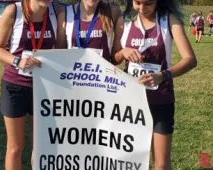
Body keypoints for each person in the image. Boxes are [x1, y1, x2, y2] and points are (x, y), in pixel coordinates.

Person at [112, 0, 197, 169]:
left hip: (161, 100)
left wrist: (163, 75)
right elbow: (113, 58)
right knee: (130, 161)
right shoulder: (125, 21)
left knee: (161, 163)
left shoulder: (168, 20)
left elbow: (190, 59)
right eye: (137, 3)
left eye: (148, 4)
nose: (142, 9)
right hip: (131, 103)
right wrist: (123, 51)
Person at [0, 0, 64, 169]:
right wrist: (17, 61)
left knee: (40, 146)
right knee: (15, 147)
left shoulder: (57, 11)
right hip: (15, 86)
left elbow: (61, 50)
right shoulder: (13, 11)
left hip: (44, 87)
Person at [56, 0, 121, 62]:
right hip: (73, 72)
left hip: (102, 72)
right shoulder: (65, 13)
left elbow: (115, 59)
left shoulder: (112, 12)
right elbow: (59, 55)